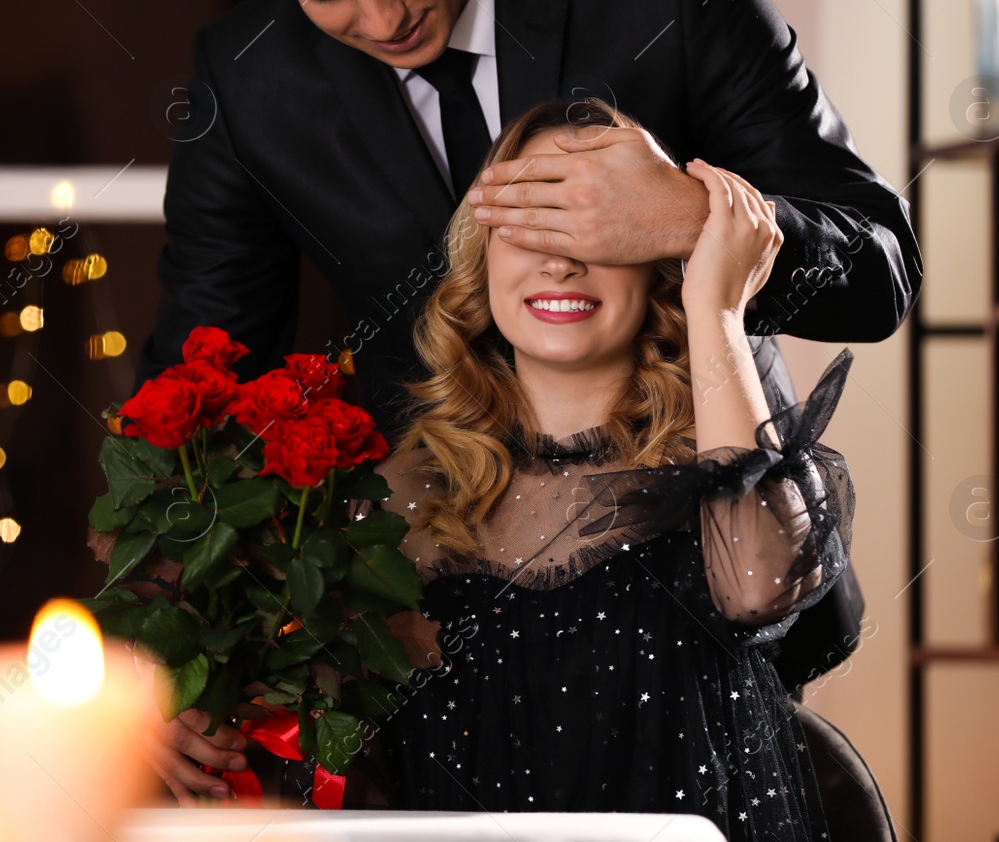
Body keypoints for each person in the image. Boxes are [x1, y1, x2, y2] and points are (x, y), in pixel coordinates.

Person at [140, 0, 913, 771]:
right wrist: (173, 652)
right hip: (425, 625)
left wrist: (686, 215)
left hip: (701, 590)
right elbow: (201, 383)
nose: (378, 20)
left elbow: (881, 264)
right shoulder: (248, 79)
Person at [345, 98, 856, 835]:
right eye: (531, 222)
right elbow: (343, 767)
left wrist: (715, 306)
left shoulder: (728, 459)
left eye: (596, 225)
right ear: (481, 253)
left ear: (659, 264)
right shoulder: (399, 496)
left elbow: (757, 587)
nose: (561, 258)